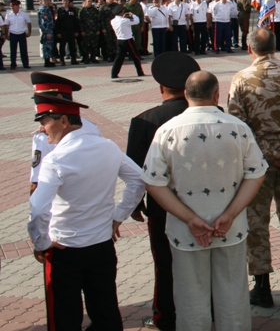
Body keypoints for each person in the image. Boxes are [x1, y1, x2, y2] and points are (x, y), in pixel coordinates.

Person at [142, 71, 267, 331]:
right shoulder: (238, 127)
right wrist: (230, 214)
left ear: (186, 95)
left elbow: (153, 181)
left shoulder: (167, 131)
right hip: (230, 228)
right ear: (217, 94)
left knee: (190, 298)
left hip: (185, 231)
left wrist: (190, 219)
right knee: (233, 294)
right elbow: (256, 173)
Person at [28, 92, 144, 330]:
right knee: (105, 312)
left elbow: (38, 209)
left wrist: (41, 241)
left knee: (65, 317)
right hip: (101, 245)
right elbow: (139, 181)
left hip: (65, 250)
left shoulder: (56, 159)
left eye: (45, 122)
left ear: (63, 122)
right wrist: (118, 216)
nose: (42, 129)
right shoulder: (108, 146)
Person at [126, 51, 201, 330]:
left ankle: (165, 317)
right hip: (206, 201)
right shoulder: (210, 116)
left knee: (165, 263)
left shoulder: (144, 120)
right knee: (202, 260)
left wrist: (134, 206)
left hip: (162, 205)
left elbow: (135, 173)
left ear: (160, 87)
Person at [226, 28, 280, 308]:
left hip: (258, 165)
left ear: (249, 49)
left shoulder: (242, 79)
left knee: (256, 222)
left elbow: (237, 127)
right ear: (276, 47)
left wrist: (266, 155)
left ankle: (262, 286)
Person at [109, 5, 145, 79]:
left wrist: (124, 16)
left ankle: (114, 73)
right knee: (136, 56)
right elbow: (137, 21)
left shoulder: (113, 21)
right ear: (121, 12)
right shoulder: (124, 21)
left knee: (119, 58)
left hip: (119, 40)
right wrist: (133, 15)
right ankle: (140, 72)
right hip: (128, 40)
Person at [37, 0, 57, 67]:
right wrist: (47, 32)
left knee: (50, 46)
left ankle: (48, 60)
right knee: (47, 46)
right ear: (45, 0)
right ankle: (47, 61)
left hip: (49, 30)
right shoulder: (44, 9)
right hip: (47, 31)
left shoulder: (47, 8)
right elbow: (43, 22)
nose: (50, 0)